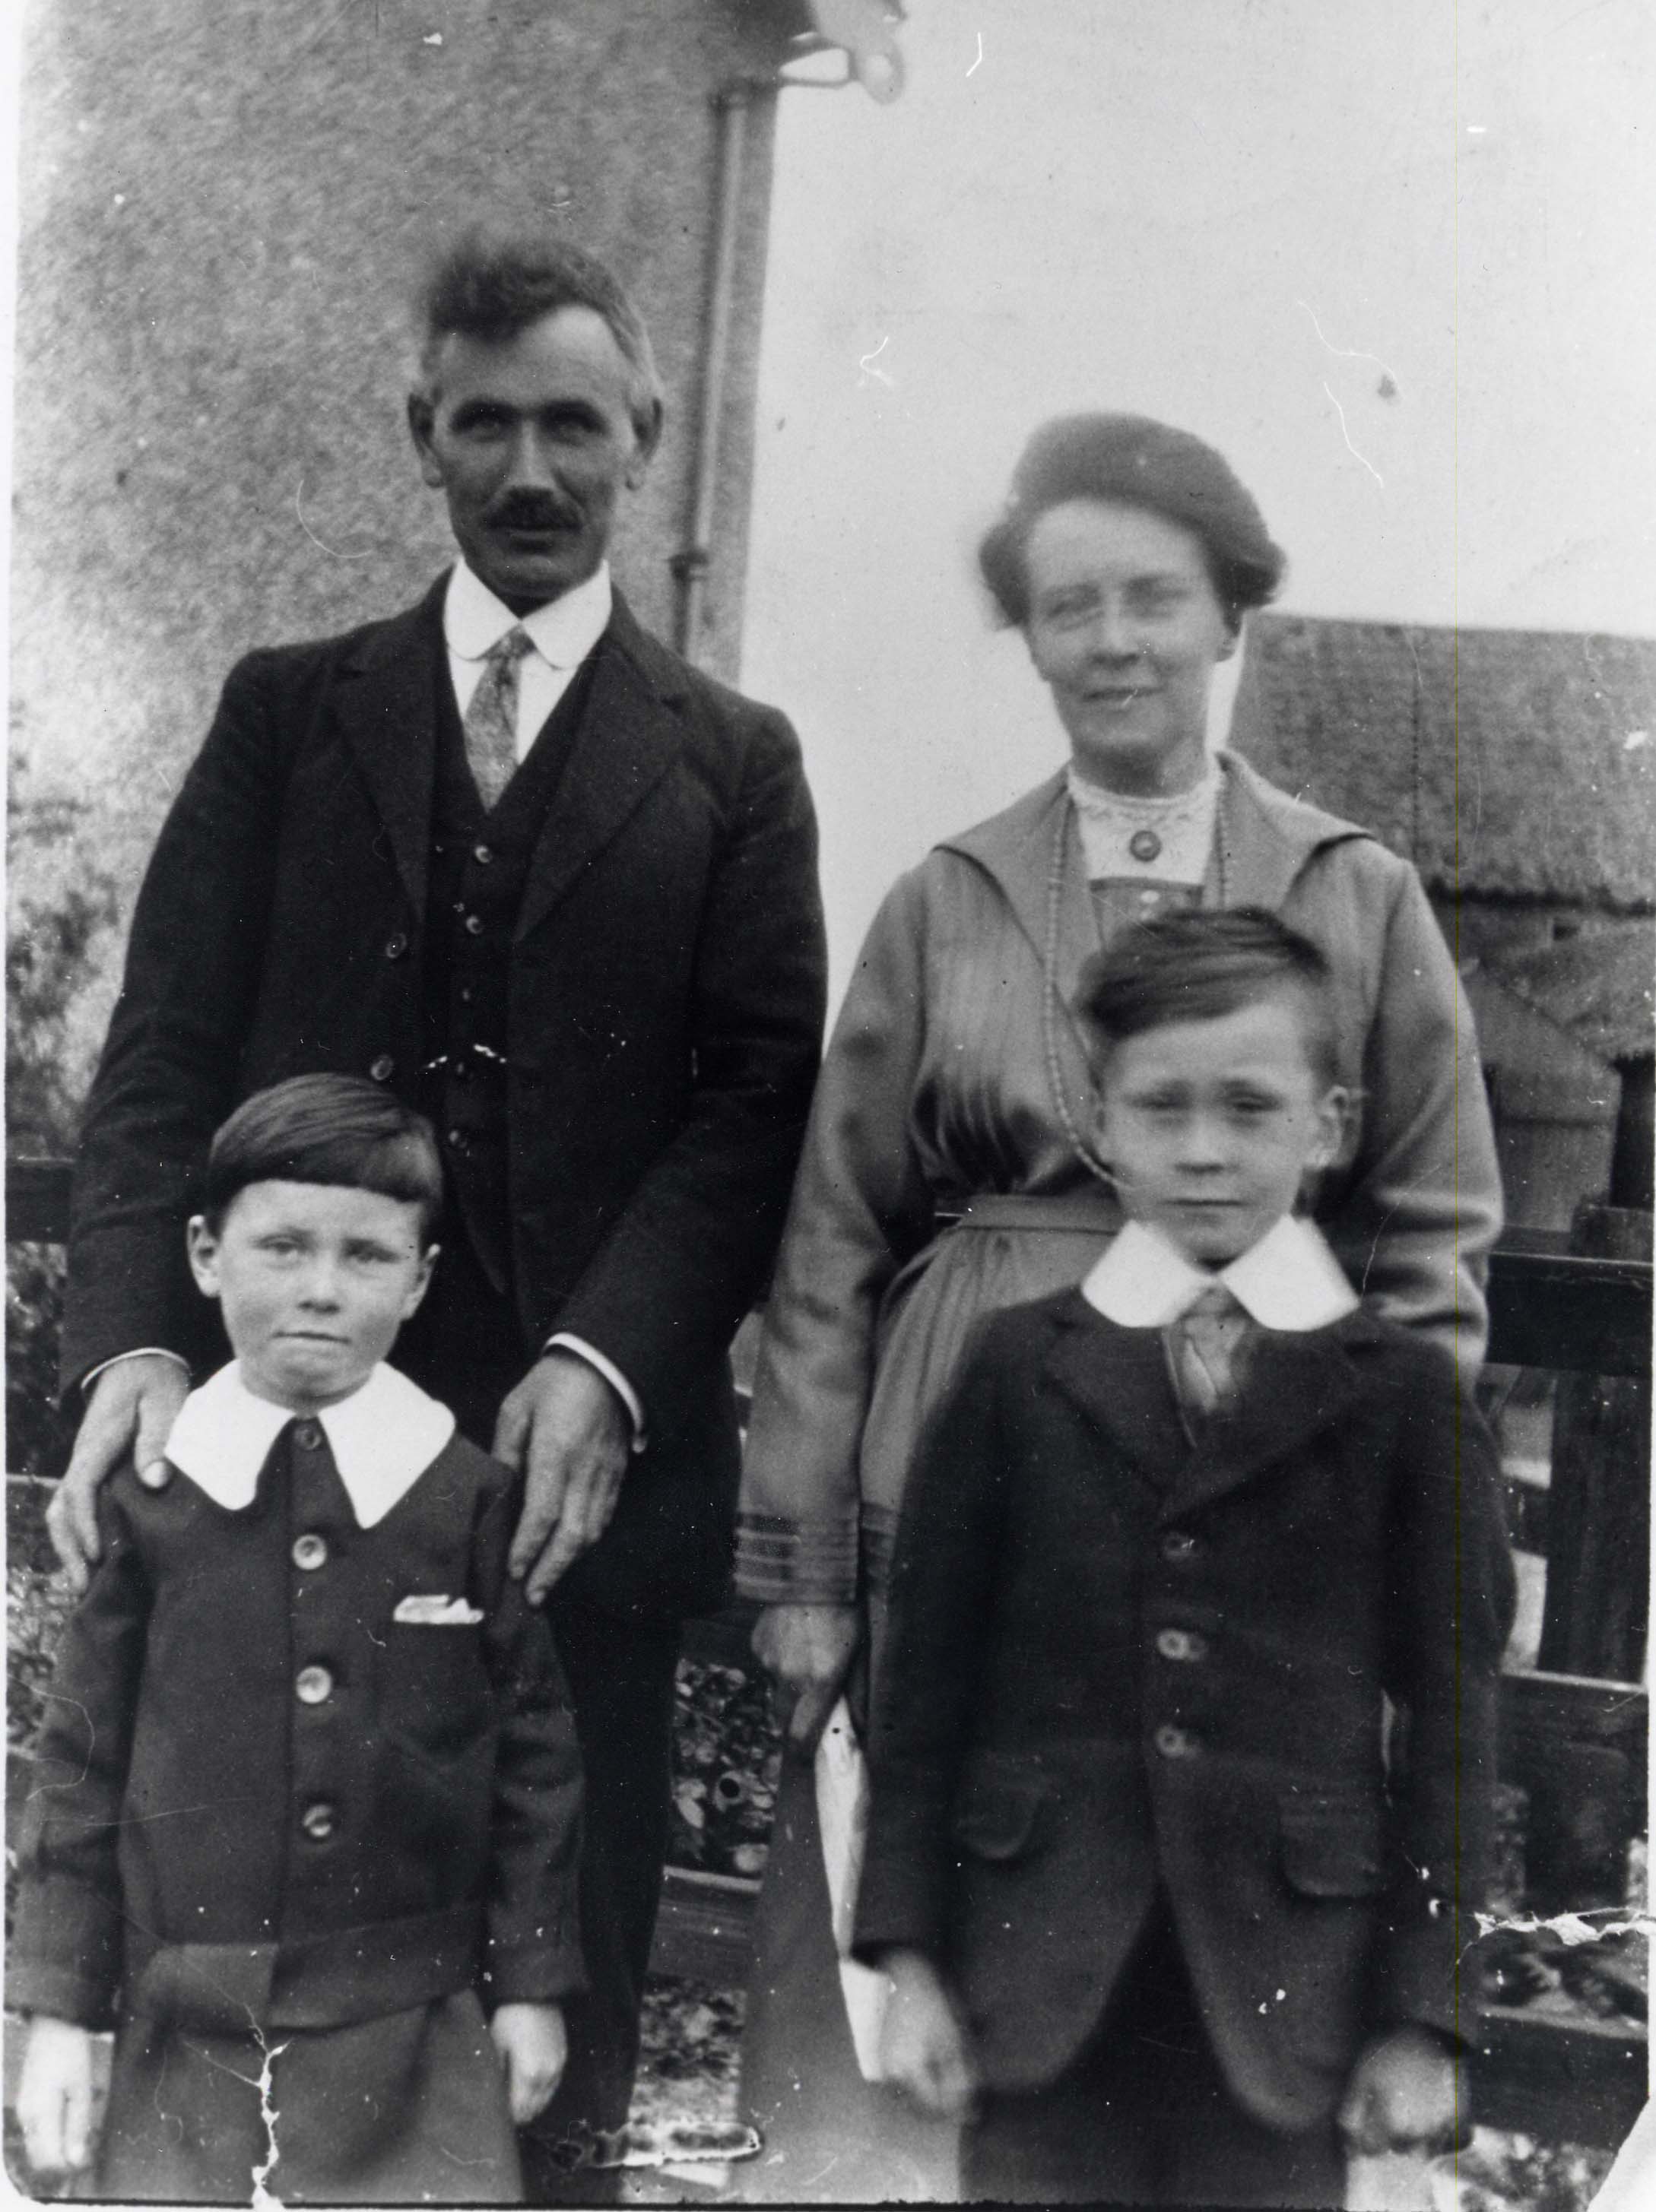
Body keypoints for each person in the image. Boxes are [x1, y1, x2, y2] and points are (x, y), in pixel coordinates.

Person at [46, 228, 826, 2195]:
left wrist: (610, 1361)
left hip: (574, 1483)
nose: (532, 470)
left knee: (558, 1997)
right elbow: (162, 1055)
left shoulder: (734, 763)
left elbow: (754, 1104)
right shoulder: (286, 711)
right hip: (279, 1445)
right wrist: (133, 1339)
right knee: (245, 1980)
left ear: (645, 435)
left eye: (575, 423)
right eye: (485, 425)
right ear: (422, 436)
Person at [734, 413, 1502, 2199]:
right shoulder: (947, 897)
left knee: (1239, 1971)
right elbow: (831, 1238)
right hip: (975, 1452)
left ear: (1230, 616)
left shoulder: (1355, 890)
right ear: (1028, 637)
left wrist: (1382, 1495)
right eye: (1068, 606)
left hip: (1277, 1468)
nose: (1114, 643)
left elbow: (1437, 1231)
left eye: (1155, 598)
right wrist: (805, 1562)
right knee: (949, 1898)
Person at [853, 910, 1516, 2206]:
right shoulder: (1014, 1366)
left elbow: (1454, 1718)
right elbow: (924, 1685)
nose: (1203, 1147)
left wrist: (1422, 2015)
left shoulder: (1399, 1394)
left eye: (1249, 1106)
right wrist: (910, 1955)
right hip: (1035, 1977)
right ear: (1102, 1125)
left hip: (1288, 1998)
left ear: (1326, 1125)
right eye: (1160, 1107)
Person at [11, 1076, 586, 2203]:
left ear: (420, 1278)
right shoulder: (154, 1497)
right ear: (204, 1254)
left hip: (413, 2037)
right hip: (188, 2037)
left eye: (367, 1256)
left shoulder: (465, 1495)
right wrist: (60, 2014)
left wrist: (529, 1984)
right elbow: (78, 1766)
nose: (321, 1289)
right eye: (281, 1246)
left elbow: (537, 1759)